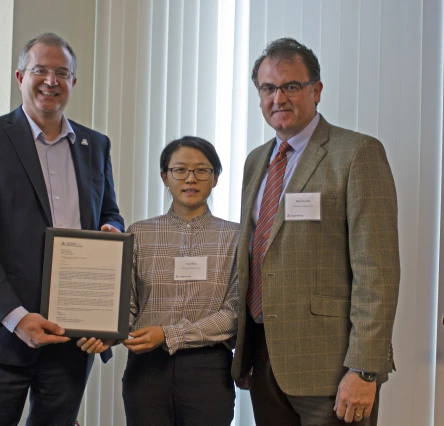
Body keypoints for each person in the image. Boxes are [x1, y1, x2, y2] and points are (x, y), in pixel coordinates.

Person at [0, 32, 124, 426]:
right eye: (40, 70)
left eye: (62, 72)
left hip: (72, 335)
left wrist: (112, 231)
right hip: (1, 335)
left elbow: (110, 212)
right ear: (20, 77)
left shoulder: (94, 145)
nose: (51, 80)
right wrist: (14, 317)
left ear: (74, 82)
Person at [231, 37, 400, 426]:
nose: (279, 98)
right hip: (264, 359)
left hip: (332, 369)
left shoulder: (356, 154)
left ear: (316, 90)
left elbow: (377, 271)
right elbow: (256, 258)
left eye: (291, 86)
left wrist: (364, 369)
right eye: (268, 88)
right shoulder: (256, 161)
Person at [83, 136, 239, 425]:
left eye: (202, 170)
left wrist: (168, 335)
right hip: (147, 369)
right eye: (180, 170)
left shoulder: (236, 237)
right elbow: (126, 304)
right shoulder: (138, 233)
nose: (190, 179)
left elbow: (234, 313)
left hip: (208, 369)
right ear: (164, 176)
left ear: (216, 178)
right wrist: (109, 331)